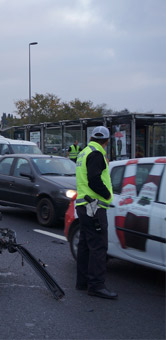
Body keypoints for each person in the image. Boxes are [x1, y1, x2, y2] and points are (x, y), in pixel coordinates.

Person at [74, 126, 117, 299]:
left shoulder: (83, 152)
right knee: (99, 246)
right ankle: (96, 285)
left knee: (85, 244)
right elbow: (94, 179)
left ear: (91, 137)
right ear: (106, 141)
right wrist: (107, 195)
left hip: (84, 205)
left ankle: (82, 282)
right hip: (95, 206)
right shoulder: (97, 154)